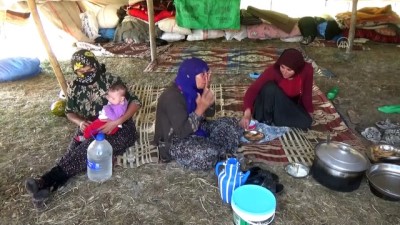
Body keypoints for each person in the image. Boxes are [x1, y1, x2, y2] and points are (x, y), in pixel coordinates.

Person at [25, 50, 141, 208]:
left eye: (89, 69)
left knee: (87, 149)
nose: (86, 73)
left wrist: (117, 122)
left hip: (121, 127)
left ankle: (45, 180)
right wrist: (80, 122)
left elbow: (135, 102)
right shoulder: (73, 86)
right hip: (93, 125)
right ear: (75, 70)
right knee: (73, 150)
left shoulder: (110, 80)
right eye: (81, 70)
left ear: (94, 64)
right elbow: (69, 112)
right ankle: (49, 186)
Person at [153, 57, 243, 170]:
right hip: (174, 140)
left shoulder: (195, 88)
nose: (207, 78)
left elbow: (210, 114)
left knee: (231, 123)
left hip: (197, 127)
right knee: (205, 155)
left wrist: (207, 97)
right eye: (202, 75)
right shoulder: (172, 98)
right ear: (189, 76)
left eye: (208, 73)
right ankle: (218, 149)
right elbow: (181, 132)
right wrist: (200, 108)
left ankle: (216, 149)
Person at [240, 48, 313, 130]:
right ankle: (267, 120)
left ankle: (276, 120)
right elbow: (253, 90)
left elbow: (307, 92)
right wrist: (247, 113)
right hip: (267, 104)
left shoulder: (307, 70)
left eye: (289, 70)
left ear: (297, 69)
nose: (284, 72)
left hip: (286, 104)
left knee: (306, 122)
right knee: (270, 87)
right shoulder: (273, 70)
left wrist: (309, 112)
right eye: (283, 67)